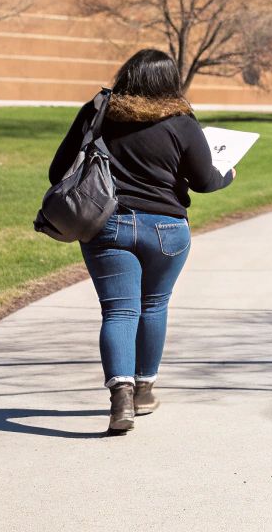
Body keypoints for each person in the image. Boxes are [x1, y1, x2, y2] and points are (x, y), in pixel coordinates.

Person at [49, 48, 234, 434]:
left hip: (107, 226)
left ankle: (121, 399)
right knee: (153, 306)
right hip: (167, 231)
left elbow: (57, 171)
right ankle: (144, 390)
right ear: (171, 81)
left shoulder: (98, 111)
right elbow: (204, 182)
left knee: (118, 312)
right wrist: (227, 173)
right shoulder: (182, 121)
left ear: (128, 74)